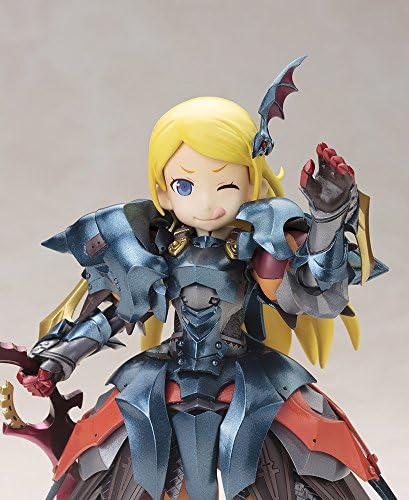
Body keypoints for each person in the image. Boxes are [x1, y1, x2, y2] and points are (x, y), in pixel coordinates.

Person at [12, 61, 394, 500]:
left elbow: (313, 295)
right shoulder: (150, 245)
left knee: (307, 445)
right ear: (162, 190)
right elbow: (118, 310)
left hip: (245, 372)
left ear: (250, 185)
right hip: (165, 373)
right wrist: (58, 358)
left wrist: (326, 219)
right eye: (186, 186)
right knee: (103, 448)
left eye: (226, 186)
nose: (208, 203)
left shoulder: (258, 245)